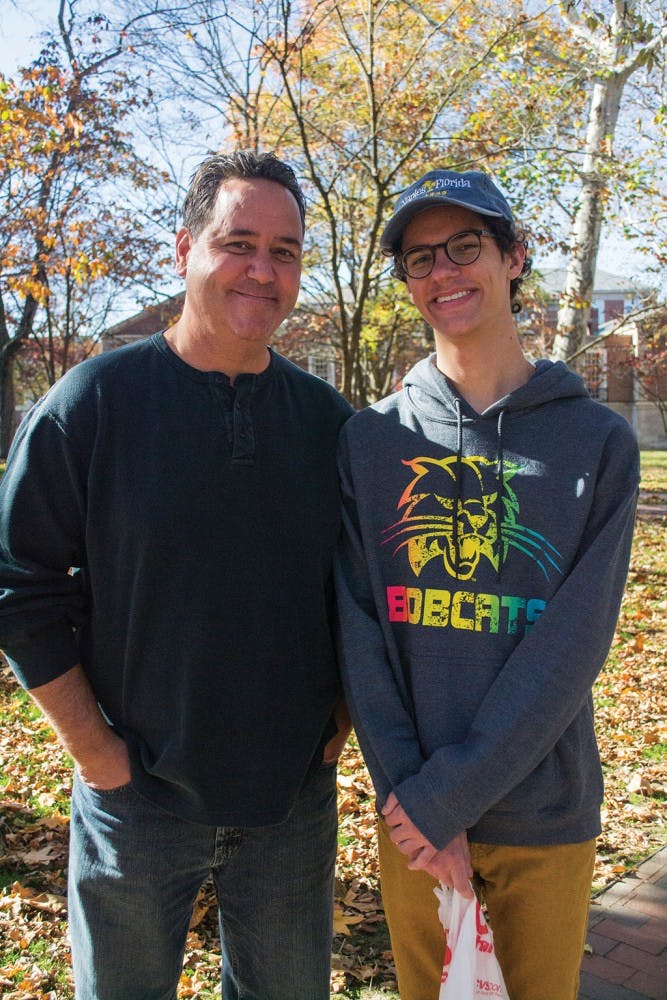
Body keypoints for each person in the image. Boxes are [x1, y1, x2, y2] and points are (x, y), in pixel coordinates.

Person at [0, 150, 353, 1000]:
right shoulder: (93, 404)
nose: (263, 271)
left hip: (289, 805)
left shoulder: (329, 425)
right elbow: (19, 588)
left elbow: (360, 595)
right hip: (138, 799)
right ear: (184, 249)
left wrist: (334, 730)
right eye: (239, 242)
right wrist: (95, 751)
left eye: (286, 250)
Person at [334, 168, 639, 999]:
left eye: (465, 245)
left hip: (542, 818)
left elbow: (571, 647)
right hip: (410, 822)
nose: (443, 272)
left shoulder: (596, 443)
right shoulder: (369, 441)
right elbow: (360, 634)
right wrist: (416, 802)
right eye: (420, 258)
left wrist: (448, 797)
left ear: (514, 256)